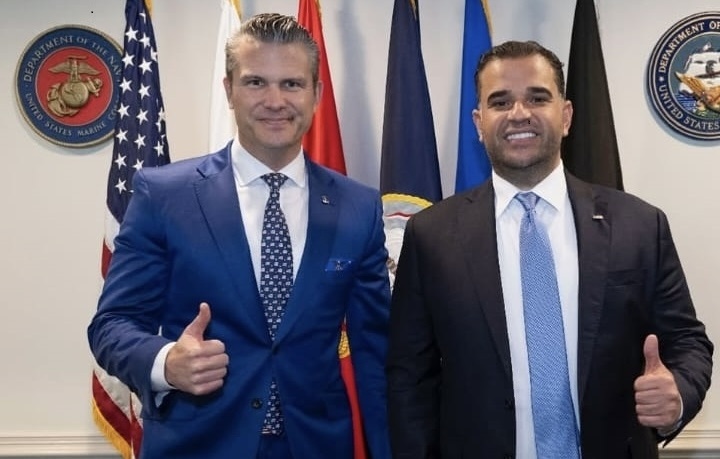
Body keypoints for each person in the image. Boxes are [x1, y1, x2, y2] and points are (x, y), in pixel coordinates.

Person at [386, 40, 713, 459]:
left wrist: (678, 394)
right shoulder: (431, 236)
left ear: (566, 115)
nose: (519, 113)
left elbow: (687, 341)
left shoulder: (639, 225)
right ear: (479, 123)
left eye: (538, 98)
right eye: (500, 101)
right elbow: (409, 375)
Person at [88, 13, 391, 459]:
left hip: (316, 445)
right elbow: (111, 325)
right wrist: (166, 362)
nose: (275, 101)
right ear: (229, 90)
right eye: (255, 83)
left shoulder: (359, 207)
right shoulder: (164, 195)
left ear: (317, 93)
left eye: (292, 84)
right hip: (197, 446)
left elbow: (376, 352)